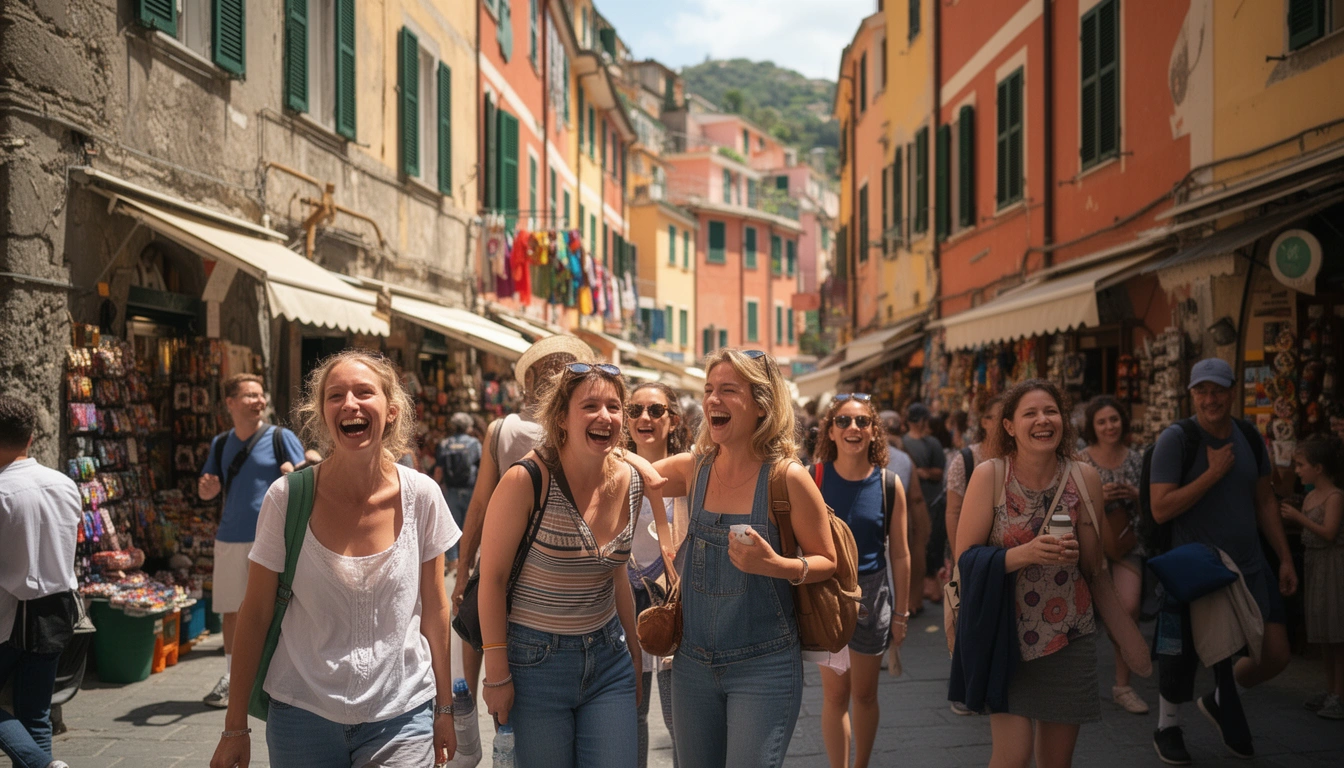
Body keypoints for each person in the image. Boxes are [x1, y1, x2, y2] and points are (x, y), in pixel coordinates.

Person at [208, 350, 461, 768]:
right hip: (301, 716)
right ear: (322, 413)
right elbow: (254, 613)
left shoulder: (422, 496)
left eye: (364, 392)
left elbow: (435, 607)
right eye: (335, 395)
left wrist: (445, 707)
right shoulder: (286, 499)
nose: (350, 404)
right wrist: (235, 726)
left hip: (401, 712)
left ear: (391, 410)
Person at [646, 348, 838, 768]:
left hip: (764, 668)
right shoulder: (695, 469)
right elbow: (632, 473)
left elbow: (827, 560)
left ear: (762, 405)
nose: (713, 399)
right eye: (709, 389)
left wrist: (776, 566)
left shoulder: (787, 477)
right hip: (692, 666)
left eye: (728, 390)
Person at [955, 379, 1150, 768]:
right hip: (1004, 633)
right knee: (1013, 757)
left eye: (1051, 412)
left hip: (1069, 635)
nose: (1043, 420)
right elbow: (966, 558)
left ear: (1064, 421)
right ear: (1009, 426)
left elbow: (1094, 568)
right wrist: (1023, 554)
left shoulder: (1085, 477)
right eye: (1030, 413)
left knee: (1057, 762)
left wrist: (1081, 550)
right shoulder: (990, 475)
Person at [477, 361, 644, 767]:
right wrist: (497, 674)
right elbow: (492, 580)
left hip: (609, 660)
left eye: (614, 406)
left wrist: (635, 656)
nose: (605, 416)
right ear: (562, 418)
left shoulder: (631, 481)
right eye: (589, 406)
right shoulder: (526, 480)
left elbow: (617, 576)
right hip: (535, 665)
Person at [1149, 359, 1298, 764]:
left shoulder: (1249, 436)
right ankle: (1167, 726)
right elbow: (1161, 509)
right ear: (1191, 394)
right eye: (1201, 391)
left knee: (1277, 654)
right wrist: (1212, 474)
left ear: (1233, 392)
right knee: (1181, 654)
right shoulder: (1176, 439)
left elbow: (1265, 501)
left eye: (1217, 390)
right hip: (1196, 567)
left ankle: (1220, 696)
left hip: (1250, 563)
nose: (1210, 399)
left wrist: (1284, 558)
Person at [451, 334, 593, 702]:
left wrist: (465, 571)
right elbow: (478, 507)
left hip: (507, 559)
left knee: (489, 639)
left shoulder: (503, 429)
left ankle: (473, 706)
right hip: (550, 566)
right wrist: (463, 570)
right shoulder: (576, 426)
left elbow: (479, 507)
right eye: (552, 368)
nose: (555, 373)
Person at [810, 394, 910, 768]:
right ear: (830, 432)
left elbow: (900, 554)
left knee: (865, 694)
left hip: (873, 597)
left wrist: (901, 614)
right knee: (835, 695)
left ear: (873, 432)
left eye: (862, 421)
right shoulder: (812, 478)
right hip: (828, 598)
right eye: (843, 421)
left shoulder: (888, 484)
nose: (853, 427)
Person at [198, 373, 306, 709]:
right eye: (250, 395)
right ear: (230, 403)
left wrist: (296, 474)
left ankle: (278, 675)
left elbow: (308, 476)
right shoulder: (220, 444)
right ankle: (233, 677)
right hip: (230, 537)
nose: (259, 401)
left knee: (276, 608)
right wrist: (207, 489)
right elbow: (209, 489)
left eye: (261, 395)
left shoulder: (280, 438)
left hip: (273, 538)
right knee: (232, 610)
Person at [0, 397, 79, 768]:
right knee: (35, 712)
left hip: (10, 614)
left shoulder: (3, 491)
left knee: (33, 713)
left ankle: (40, 764)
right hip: (57, 608)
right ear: (31, 438)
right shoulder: (64, 484)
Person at [626, 382, 687, 768]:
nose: (644, 418)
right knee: (631, 715)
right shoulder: (612, 472)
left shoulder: (686, 472)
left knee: (677, 719)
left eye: (655, 410)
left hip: (672, 604)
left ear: (673, 419)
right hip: (623, 604)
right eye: (634, 411)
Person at [1079, 396, 1148, 715]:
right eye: (1102, 421)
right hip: (1087, 546)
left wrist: (1135, 495)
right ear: (1092, 427)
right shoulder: (1080, 460)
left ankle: (1123, 685)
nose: (1109, 427)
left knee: (1128, 607)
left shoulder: (1136, 459)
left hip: (1126, 544)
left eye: (1114, 419)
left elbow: (1153, 506)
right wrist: (1098, 498)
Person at [942, 393, 1004, 716]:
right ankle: (965, 685)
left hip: (1006, 554)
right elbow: (953, 511)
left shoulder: (1019, 456)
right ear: (986, 422)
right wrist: (960, 557)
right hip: (971, 553)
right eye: (997, 417)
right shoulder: (967, 459)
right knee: (966, 618)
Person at [1278, 435, 1344, 720]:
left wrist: (1298, 517)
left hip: (1333, 566)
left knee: (1337, 632)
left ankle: (1339, 693)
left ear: (1318, 468)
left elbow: (1329, 532)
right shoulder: (1309, 496)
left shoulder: (1335, 497)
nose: (1298, 470)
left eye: (1302, 465)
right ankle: (1330, 690)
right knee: (1323, 633)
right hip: (1315, 565)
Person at [880, 410, 929, 617]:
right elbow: (916, 498)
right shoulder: (903, 457)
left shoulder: (861, 455)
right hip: (900, 521)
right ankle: (906, 604)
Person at [903, 402, 947, 603]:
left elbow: (938, 472)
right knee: (921, 545)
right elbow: (939, 472)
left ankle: (927, 587)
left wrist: (924, 473)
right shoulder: (906, 444)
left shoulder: (930, 443)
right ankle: (922, 590)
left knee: (928, 544)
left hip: (930, 502)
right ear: (923, 421)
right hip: (918, 503)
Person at [435, 412, 481, 565]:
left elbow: (439, 470)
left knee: (451, 526)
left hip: (451, 491)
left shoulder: (445, 443)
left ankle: (453, 560)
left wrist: (436, 488)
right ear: (468, 426)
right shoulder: (474, 444)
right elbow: (481, 468)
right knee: (470, 526)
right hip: (470, 490)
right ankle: (467, 559)